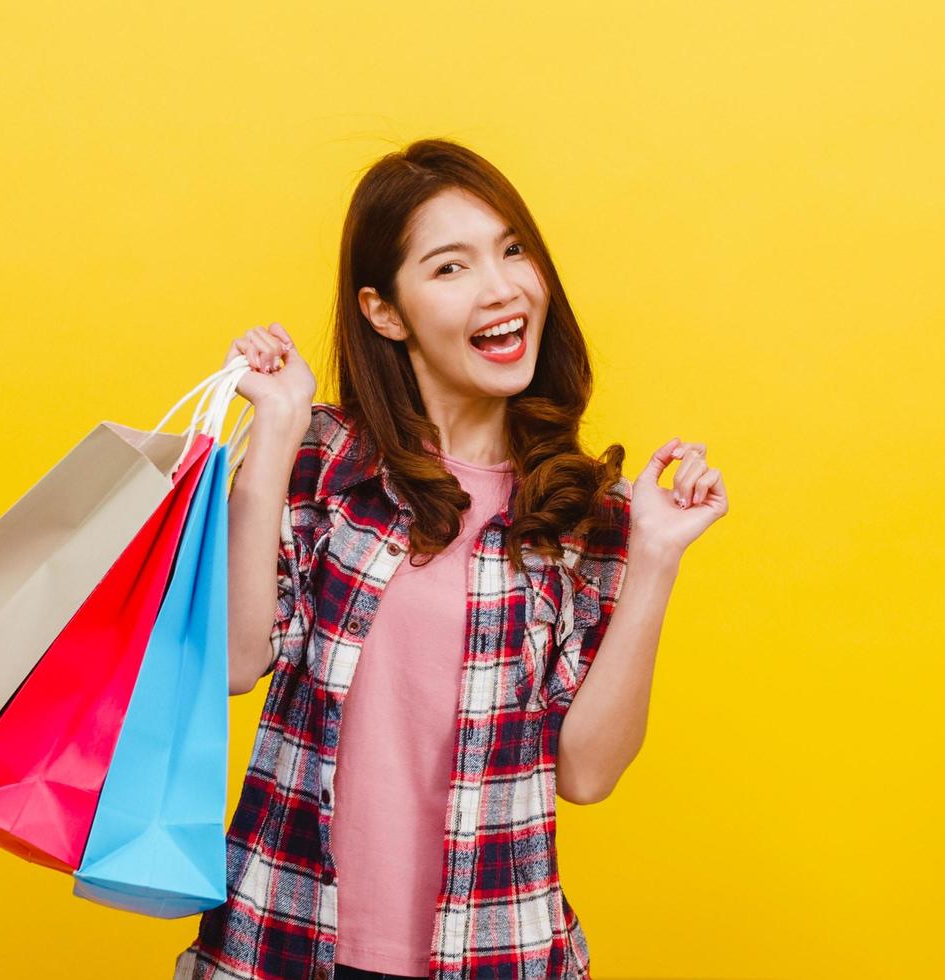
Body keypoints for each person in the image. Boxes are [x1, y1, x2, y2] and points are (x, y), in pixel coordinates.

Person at [172, 138, 728, 980]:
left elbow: (586, 772)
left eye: (513, 250)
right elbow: (239, 659)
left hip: (496, 952)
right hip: (281, 938)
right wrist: (277, 431)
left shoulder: (590, 514)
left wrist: (654, 557)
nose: (501, 287)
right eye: (450, 267)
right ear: (384, 311)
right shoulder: (327, 459)